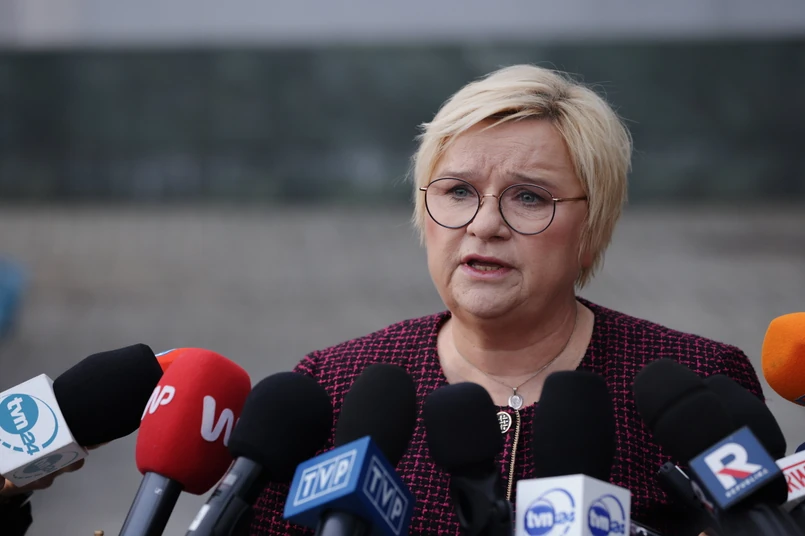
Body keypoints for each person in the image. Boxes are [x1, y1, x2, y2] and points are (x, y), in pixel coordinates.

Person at [246, 64, 762, 535]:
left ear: (592, 228)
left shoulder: (697, 385)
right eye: (458, 191)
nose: (485, 224)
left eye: (529, 196)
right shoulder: (332, 390)